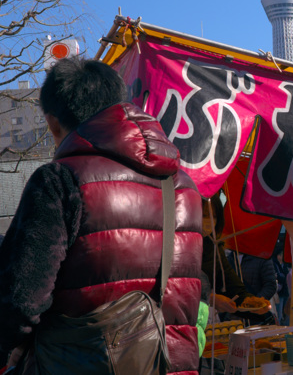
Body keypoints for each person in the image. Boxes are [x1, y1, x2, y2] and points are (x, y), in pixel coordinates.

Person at [0, 57, 203, 374]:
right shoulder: (183, 186)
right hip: (171, 364)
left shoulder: (59, 180)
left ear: (53, 122)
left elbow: (21, 301)